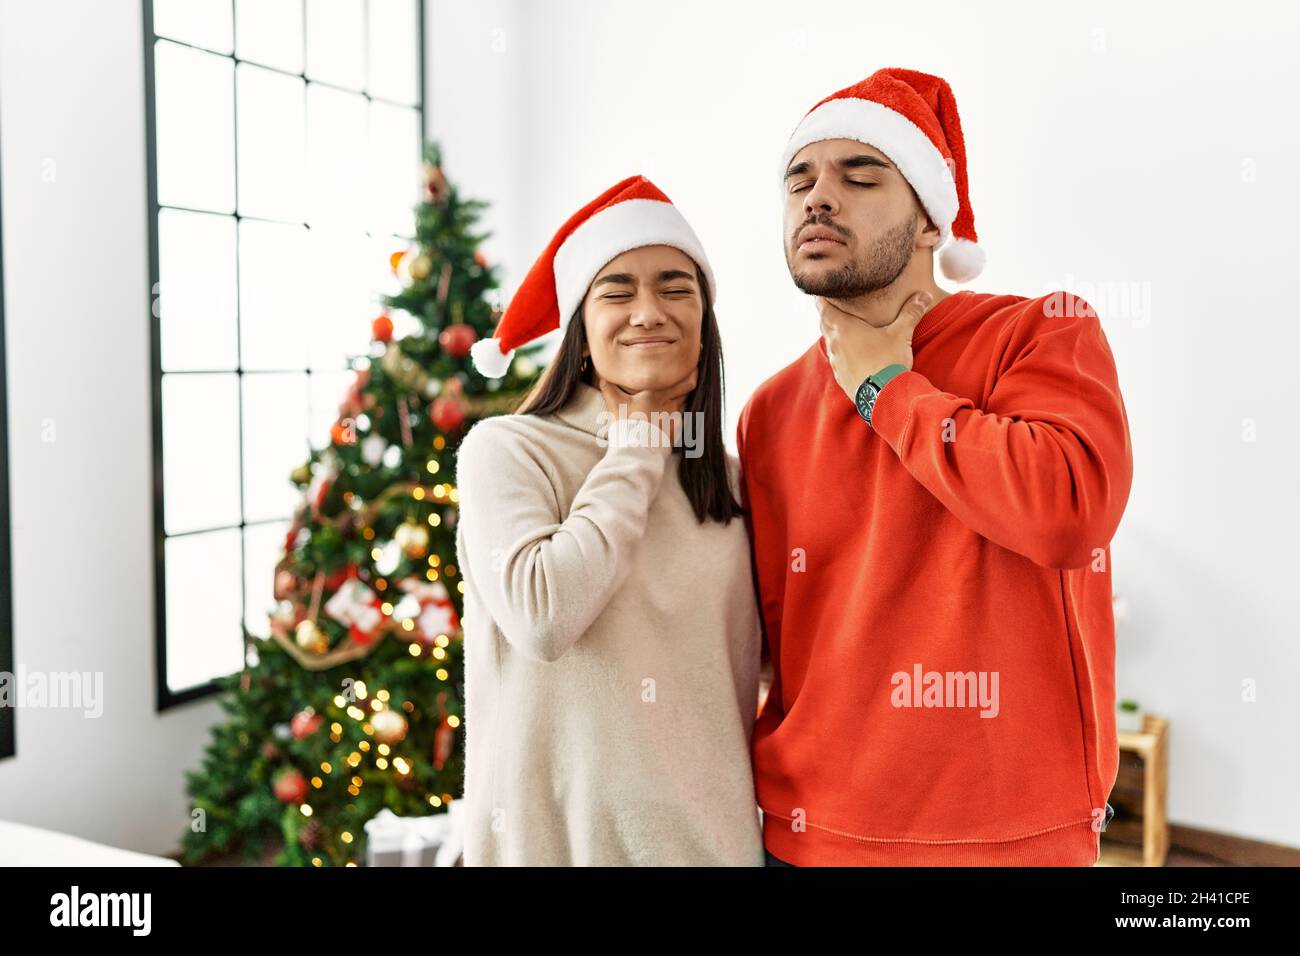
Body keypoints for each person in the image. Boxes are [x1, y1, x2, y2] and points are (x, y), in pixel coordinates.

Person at [740, 67, 1134, 866]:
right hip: (807, 834)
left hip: (1002, 842)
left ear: (929, 221)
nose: (818, 197)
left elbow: (1064, 510)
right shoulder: (769, 410)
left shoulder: (1038, 333)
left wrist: (886, 388)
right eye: (799, 181)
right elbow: (765, 638)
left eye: (860, 176)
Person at [455, 175, 765, 866]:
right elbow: (544, 615)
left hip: (709, 849)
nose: (648, 311)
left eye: (675, 287)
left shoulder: (731, 481)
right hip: (552, 849)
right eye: (617, 291)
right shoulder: (506, 451)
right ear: (582, 334)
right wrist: (638, 443)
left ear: (704, 322)